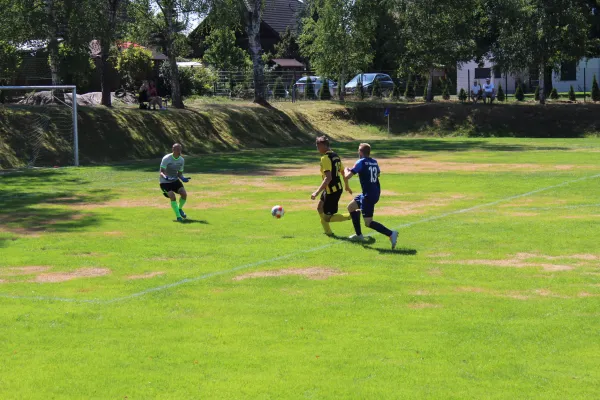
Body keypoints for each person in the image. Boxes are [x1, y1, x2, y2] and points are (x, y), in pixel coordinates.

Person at [344, 143, 399, 250]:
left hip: (368, 195)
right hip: (373, 192)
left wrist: (346, 169)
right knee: (351, 207)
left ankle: (391, 233)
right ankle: (359, 235)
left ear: (360, 152)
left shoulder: (361, 162)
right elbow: (377, 174)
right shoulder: (374, 161)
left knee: (368, 223)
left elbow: (348, 176)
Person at [311, 136, 352, 236]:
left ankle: (353, 215)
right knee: (320, 207)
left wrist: (316, 192)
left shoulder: (325, 158)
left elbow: (328, 178)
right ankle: (328, 232)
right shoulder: (335, 155)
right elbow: (343, 171)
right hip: (332, 188)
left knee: (327, 218)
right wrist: (346, 185)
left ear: (324, 145)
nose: (317, 148)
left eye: (318, 146)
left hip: (332, 191)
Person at [159, 143, 191, 222]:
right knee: (172, 196)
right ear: (173, 150)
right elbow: (161, 172)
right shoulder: (166, 158)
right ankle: (178, 216)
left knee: (184, 194)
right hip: (165, 182)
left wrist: (183, 179)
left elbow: (179, 173)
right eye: (177, 149)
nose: (179, 151)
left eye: (180, 149)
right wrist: (165, 177)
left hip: (175, 180)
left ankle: (180, 209)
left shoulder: (181, 160)